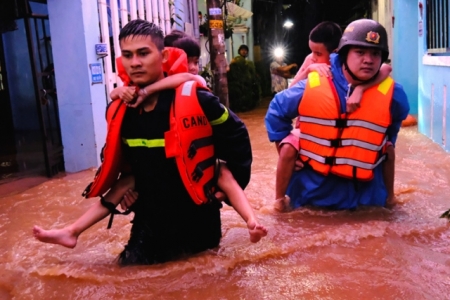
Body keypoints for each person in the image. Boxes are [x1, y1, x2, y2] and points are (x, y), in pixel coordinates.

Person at [33, 20, 267, 264]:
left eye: (143, 53)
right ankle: (71, 232)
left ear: (163, 55)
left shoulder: (199, 100)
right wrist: (127, 194)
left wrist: (227, 188)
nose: (135, 62)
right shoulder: (120, 110)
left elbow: (237, 137)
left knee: (202, 277)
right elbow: (123, 166)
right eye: (127, 55)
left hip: (198, 222)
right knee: (129, 278)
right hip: (149, 223)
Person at [265, 19, 410, 211]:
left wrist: (383, 144)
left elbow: (394, 125)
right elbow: (276, 111)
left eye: (375, 54)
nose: (368, 60)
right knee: (289, 146)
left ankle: (390, 199)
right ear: (343, 54)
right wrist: (282, 145)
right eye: (360, 52)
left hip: (366, 198)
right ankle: (278, 200)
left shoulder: (393, 94)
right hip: (312, 194)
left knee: (388, 147)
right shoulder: (314, 83)